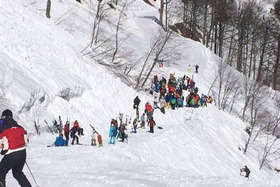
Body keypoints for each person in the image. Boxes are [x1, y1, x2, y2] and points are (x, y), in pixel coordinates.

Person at [0, 109, 32, 187]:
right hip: (22, 154)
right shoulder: (19, 127)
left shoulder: (2, 128)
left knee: (1, 173)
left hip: (11, 154)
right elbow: (26, 141)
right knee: (17, 173)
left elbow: (1, 143)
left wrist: (4, 148)